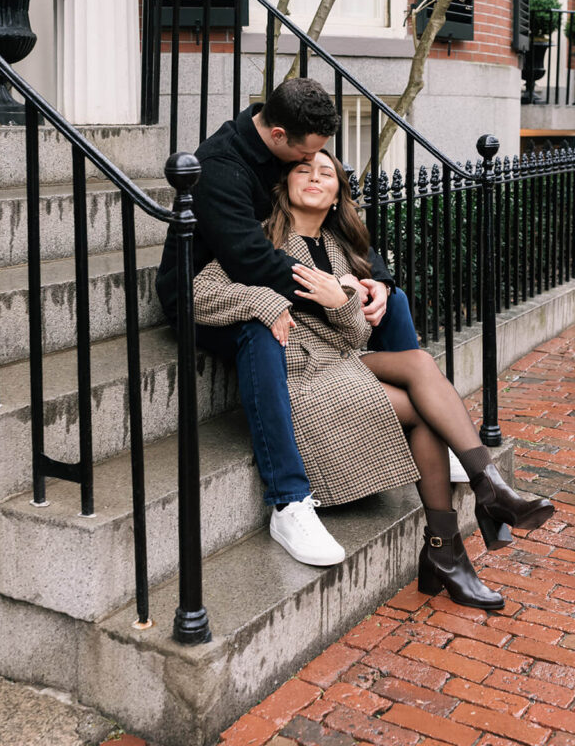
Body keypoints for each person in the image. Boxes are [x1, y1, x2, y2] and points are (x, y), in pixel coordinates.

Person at [192, 150, 555, 610]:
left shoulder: (341, 250)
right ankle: (462, 530)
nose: (314, 177)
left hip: (339, 361)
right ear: (284, 188)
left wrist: (338, 299)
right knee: (425, 415)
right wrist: (264, 301)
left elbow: (356, 332)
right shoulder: (263, 239)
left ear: (336, 195)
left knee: (420, 363)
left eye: (326, 173)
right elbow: (200, 292)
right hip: (301, 373)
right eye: (303, 170)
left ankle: (473, 514)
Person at [156, 79, 420, 565]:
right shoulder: (221, 168)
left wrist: (374, 282)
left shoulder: (289, 145)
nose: (315, 165)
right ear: (279, 135)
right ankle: (289, 501)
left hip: (274, 278)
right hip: (211, 294)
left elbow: (340, 226)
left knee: (394, 302)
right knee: (259, 331)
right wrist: (333, 291)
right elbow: (252, 261)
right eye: (309, 154)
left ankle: (419, 434)